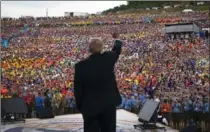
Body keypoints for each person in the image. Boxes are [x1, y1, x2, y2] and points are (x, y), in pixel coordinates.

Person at [74, 35, 122, 132]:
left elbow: (78, 89)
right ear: (102, 48)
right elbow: (117, 50)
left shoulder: (80, 66)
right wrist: (117, 38)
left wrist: (80, 105)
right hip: (108, 104)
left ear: (89, 49)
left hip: (89, 106)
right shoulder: (108, 58)